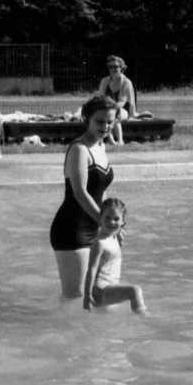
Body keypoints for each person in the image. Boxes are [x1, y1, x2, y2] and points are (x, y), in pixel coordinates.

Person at [49, 94, 118, 299]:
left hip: (96, 226)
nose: (105, 127)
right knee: (75, 297)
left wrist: (111, 222)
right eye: (100, 121)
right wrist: (104, 223)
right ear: (87, 119)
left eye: (110, 122)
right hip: (72, 230)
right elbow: (80, 193)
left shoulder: (100, 146)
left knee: (97, 292)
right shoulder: (79, 149)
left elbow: (101, 191)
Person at [83, 197, 147, 314]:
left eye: (116, 219)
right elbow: (91, 270)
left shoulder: (114, 237)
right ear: (100, 219)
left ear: (123, 222)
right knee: (134, 290)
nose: (112, 222)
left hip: (110, 287)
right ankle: (144, 319)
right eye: (107, 218)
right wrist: (87, 296)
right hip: (100, 291)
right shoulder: (99, 243)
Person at [96, 55, 137, 145]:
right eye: (110, 67)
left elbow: (122, 102)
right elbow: (101, 98)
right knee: (105, 116)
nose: (113, 69)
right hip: (107, 109)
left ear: (121, 68)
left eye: (115, 67)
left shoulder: (126, 82)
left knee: (113, 116)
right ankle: (112, 141)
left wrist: (111, 108)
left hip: (123, 110)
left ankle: (120, 140)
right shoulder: (104, 81)